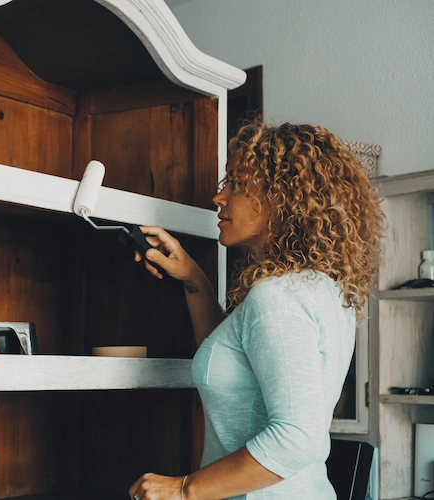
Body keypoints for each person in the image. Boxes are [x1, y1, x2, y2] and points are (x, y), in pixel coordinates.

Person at [128, 121, 385, 500]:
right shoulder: (317, 289)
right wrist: (192, 276)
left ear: (282, 197)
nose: (219, 197)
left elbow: (297, 439)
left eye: (236, 183)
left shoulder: (276, 298)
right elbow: (234, 357)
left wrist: (183, 489)